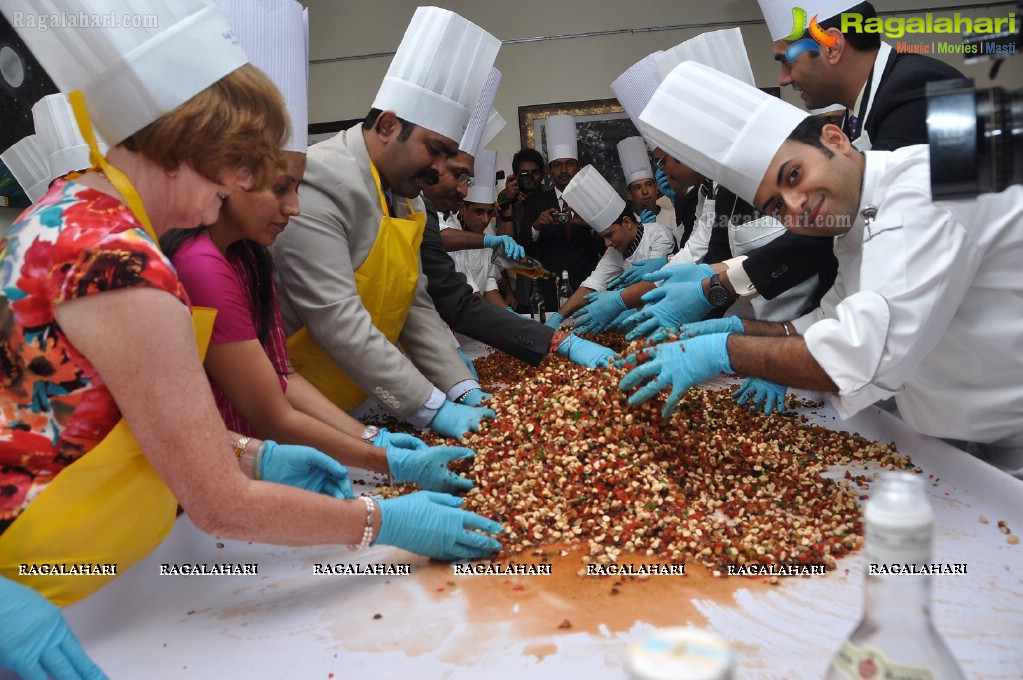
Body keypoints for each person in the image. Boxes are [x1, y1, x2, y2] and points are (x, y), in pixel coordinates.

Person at [0, 3, 501, 678]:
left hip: (90, 566)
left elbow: (100, 413)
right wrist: (380, 521)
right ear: (182, 146)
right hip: (53, 579)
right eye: (238, 165)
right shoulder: (120, 262)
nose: (244, 185)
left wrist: (253, 456)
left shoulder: (59, 214)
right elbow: (218, 506)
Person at [622, 61, 1023, 478]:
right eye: (776, 206)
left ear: (835, 139)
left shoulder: (923, 191)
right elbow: (828, 321)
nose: (795, 205)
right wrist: (738, 332)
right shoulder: (852, 220)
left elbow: (860, 351)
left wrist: (724, 352)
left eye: (794, 175)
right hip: (957, 430)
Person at [163, 0, 475, 498]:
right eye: (282, 188)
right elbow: (324, 333)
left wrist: (387, 431)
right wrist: (391, 449)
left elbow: (279, 377)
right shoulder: (203, 260)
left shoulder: (245, 258)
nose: (294, 207)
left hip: (280, 438)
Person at [653, 0, 967, 324]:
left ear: (831, 46)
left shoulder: (917, 89)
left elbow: (858, 218)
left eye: (787, 61)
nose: (783, 78)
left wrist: (723, 283)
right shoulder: (862, 111)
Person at [271, 8, 500, 440]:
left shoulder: (404, 196)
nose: (437, 169)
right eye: (433, 150)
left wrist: (463, 388)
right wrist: (432, 408)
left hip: (352, 403)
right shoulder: (323, 180)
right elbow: (338, 319)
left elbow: (412, 302)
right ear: (388, 125)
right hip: (291, 411)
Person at [547, 165, 673, 326]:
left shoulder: (659, 235)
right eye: (603, 237)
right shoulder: (616, 250)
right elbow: (593, 284)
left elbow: (650, 286)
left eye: (610, 235)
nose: (607, 243)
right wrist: (560, 315)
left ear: (626, 223)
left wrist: (616, 303)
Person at [517, 115, 604, 311]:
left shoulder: (593, 200)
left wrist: (590, 225)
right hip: (549, 291)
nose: (564, 170)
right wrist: (536, 227)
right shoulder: (536, 203)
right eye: (557, 165)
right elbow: (522, 251)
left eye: (569, 163)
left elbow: (608, 248)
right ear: (549, 170)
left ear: (578, 166)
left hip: (587, 288)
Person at [439, 150, 507, 308]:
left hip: (479, 309)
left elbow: (489, 281)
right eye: (479, 212)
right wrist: (499, 318)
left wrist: (508, 312)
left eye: (490, 212)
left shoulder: (489, 231)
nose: (485, 219)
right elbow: (468, 284)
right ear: (462, 208)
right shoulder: (451, 230)